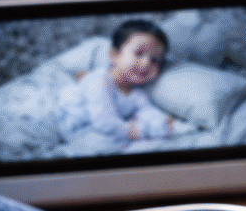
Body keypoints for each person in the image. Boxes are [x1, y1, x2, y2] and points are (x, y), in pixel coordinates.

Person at [58, 20, 175, 148]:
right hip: (70, 122)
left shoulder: (137, 94)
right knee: (105, 144)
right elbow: (105, 123)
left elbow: (148, 111)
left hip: (93, 129)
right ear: (114, 55)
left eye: (155, 60)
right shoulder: (99, 81)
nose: (146, 63)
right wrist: (137, 130)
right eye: (138, 53)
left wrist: (161, 123)